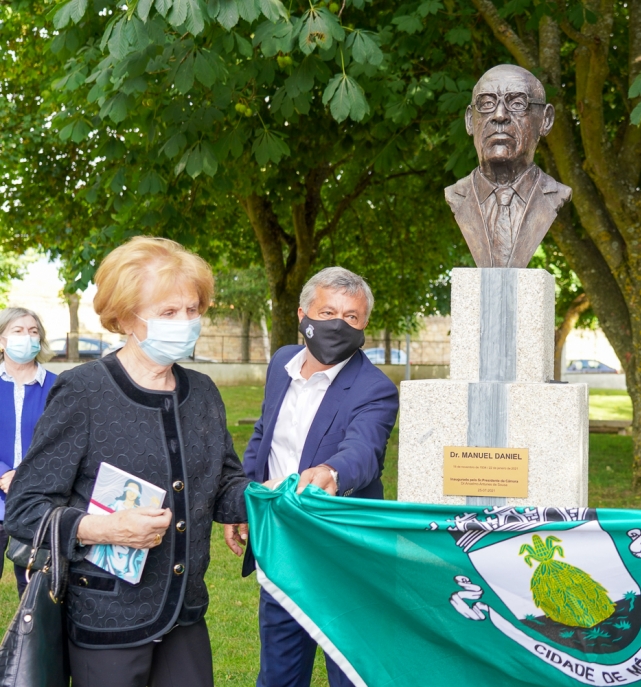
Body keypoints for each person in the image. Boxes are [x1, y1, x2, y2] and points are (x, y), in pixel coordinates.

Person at [5, 237, 250, 687]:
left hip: (185, 613)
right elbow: (24, 508)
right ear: (123, 318)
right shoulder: (83, 391)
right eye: (168, 312)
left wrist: (265, 498)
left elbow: (224, 485)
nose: (186, 322)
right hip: (106, 618)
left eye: (193, 309)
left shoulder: (205, 393)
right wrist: (104, 529)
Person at [227, 266, 399, 687]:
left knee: (349, 672)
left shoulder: (375, 388)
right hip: (281, 540)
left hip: (342, 549)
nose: (338, 324)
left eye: (352, 317)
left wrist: (331, 473)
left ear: (365, 327)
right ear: (302, 313)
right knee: (280, 670)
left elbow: (364, 451)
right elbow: (264, 435)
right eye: (328, 311)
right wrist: (243, 499)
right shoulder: (283, 361)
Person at [445, 64, 572, 268]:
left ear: (545, 120)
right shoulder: (456, 195)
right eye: (487, 103)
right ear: (470, 120)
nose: (500, 115)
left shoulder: (556, 195)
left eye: (517, 103)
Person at [0, 306, 57, 593]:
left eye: (33, 331)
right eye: (18, 331)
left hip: (38, 500)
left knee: (35, 589)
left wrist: (23, 477)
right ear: (2, 340)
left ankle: (29, 639)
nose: (27, 337)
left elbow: (61, 444)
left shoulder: (58, 388)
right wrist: (3, 475)